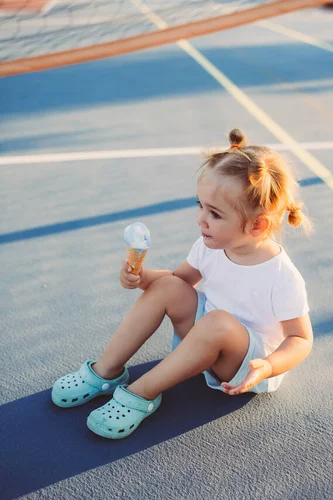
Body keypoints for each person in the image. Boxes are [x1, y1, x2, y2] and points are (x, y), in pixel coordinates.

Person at [52, 128, 314, 440]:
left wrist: (268, 366)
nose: (200, 219)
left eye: (215, 214)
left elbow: (300, 339)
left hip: (244, 364)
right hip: (206, 335)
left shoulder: (282, 276)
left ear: (258, 225)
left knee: (217, 322)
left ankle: (141, 393)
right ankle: (106, 371)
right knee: (167, 288)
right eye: (200, 205)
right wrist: (142, 278)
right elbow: (178, 283)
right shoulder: (209, 246)